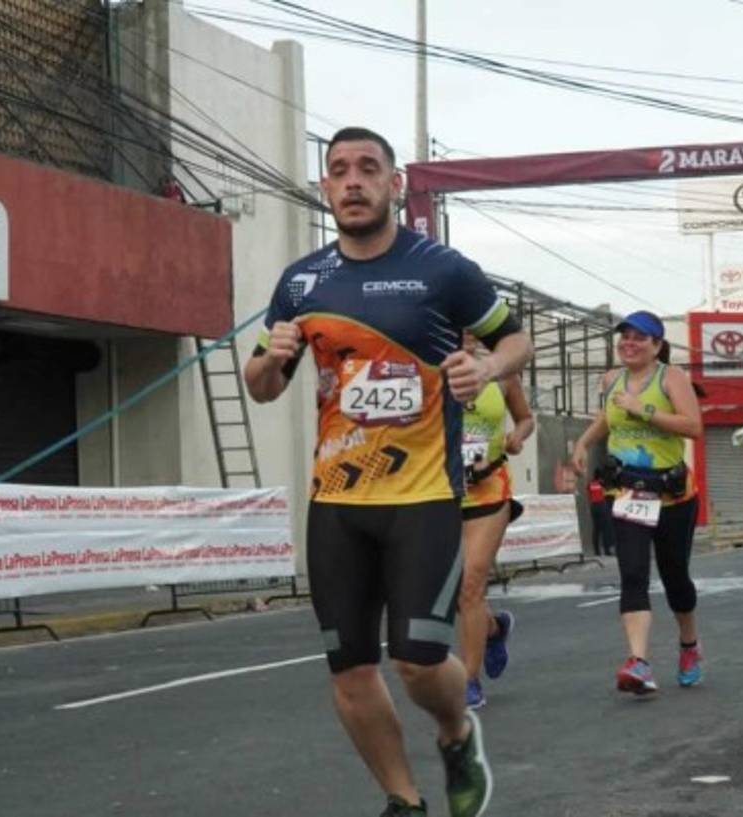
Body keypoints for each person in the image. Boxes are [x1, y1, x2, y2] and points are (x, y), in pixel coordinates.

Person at [244, 126, 533, 817]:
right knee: (348, 670)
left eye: (367, 168)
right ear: (324, 187)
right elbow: (260, 385)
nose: (352, 181)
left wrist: (486, 366)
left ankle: (458, 732)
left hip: (424, 495)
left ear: (394, 184)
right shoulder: (301, 282)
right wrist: (271, 353)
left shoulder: (442, 269)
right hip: (337, 501)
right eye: (338, 169)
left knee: (419, 658)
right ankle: (404, 800)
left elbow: (514, 336)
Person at [571, 310, 704, 695]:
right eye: (624, 337)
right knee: (632, 574)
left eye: (639, 338)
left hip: (672, 495)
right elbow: (607, 419)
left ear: (657, 346)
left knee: (675, 576)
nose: (629, 343)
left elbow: (694, 427)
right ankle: (639, 662)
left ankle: (689, 645)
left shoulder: (672, 378)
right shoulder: (613, 380)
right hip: (627, 493)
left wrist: (643, 408)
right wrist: (583, 443)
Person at [458, 331, 534, 710]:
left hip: (488, 489)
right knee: (454, 589)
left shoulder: (500, 372)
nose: (466, 336)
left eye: (472, 327)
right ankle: (494, 629)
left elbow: (525, 419)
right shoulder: (423, 369)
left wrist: (516, 437)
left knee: (471, 583)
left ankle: (468, 680)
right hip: (434, 491)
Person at [587, 472, 614, 557]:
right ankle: (606, 551)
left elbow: (589, 494)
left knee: (596, 530)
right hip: (601, 506)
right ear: (600, 478)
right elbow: (607, 491)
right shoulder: (602, 484)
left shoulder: (590, 484)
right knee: (605, 529)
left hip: (593, 507)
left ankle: (597, 551)